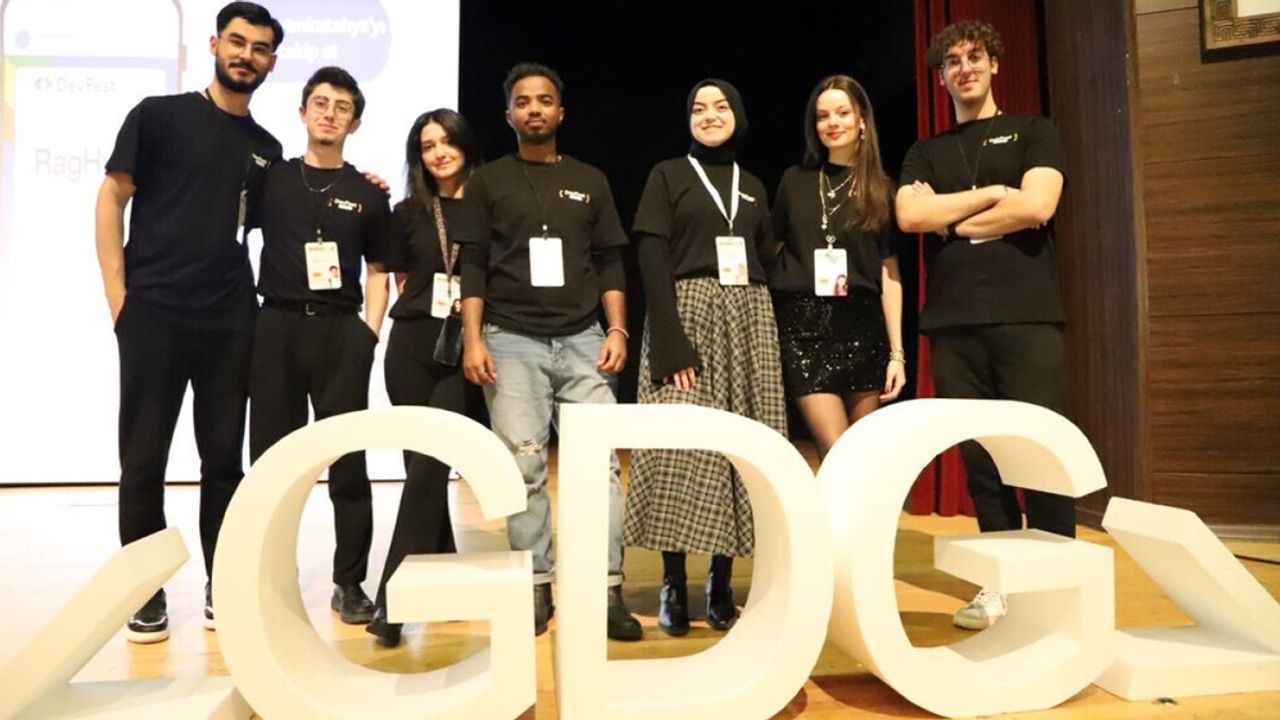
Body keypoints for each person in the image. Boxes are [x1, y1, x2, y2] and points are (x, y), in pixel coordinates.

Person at [95, 1, 284, 644]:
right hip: (152, 314)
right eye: (237, 41)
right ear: (214, 44)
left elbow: (279, 224)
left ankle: (221, 584)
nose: (246, 55)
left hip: (231, 321)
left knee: (224, 461)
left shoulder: (267, 149)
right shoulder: (158, 115)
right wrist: (118, 297)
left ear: (271, 62)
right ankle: (143, 592)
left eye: (259, 48)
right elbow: (112, 197)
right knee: (143, 461)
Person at [896, 19, 1070, 630]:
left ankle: (1055, 588)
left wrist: (952, 218)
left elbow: (1039, 203)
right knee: (982, 463)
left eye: (974, 57)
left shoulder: (1034, 131)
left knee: (1042, 454)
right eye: (952, 62)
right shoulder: (926, 151)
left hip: (1026, 316)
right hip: (954, 322)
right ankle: (998, 586)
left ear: (995, 64)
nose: (964, 69)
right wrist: (995, 194)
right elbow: (910, 215)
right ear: (941, 77)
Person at [458, 62, 641, 640]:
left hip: (586, 338)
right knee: (524, 467)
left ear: (561, 111)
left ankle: (606, 589)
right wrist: (472, 338)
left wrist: (617, 330)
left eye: (544, 100)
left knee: (601, 468)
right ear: (508, 114)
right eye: (523, 102)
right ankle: (535, 585)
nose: (534, 109)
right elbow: (472, 265)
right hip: (510, 339)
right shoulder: (487, 181)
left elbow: (610, 261)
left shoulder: (591, 179)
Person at [623, 79, 787, 636]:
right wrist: (669, 339)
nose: (709, 115)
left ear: (738, 116)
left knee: (742, 449)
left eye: (720, 107)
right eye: (698, 107)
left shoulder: (754, 186)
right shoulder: (668, 174)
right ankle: (673, 582)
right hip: (686, 312)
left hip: (749, 318)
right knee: (679, 449)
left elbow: (767, 255)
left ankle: (722, 581)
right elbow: (651, 255)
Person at [247, 66, 391, 626]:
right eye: (321, 103)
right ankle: (267, 574)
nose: (330, 114)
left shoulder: (368, 193)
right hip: (276, 328)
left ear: (355, 123)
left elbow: (379, 270)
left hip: (340, 334)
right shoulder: (274, 180)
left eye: (342, 107)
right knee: (270, 462)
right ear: (303, 112)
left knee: (348, 465)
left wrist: (368, 334)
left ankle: (349, 582)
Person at [366, 108, 484, 647]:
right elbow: (399, 276)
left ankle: (392, 600)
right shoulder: (408, 210)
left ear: (464, 146)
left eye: (447, 142)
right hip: (412, 344)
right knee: (421, 468)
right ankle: (446, 574)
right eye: (428, 145)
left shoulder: (489, 206)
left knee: (432, 462)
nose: (439, 152)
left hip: (463, 347)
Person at [770, 74, 906, 462]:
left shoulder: (882, 188)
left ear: (862, 120)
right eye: (823, 115)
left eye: (842, 113)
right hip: (805, 327)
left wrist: (897, 355)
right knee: (838, 453)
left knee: (863, 459)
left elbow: (889, 273)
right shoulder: (794, 181)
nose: (832, 122)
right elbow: (772, 250)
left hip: (863, 327)